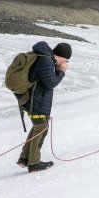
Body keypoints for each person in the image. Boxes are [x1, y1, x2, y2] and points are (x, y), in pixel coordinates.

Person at [15, 41, 70, 173]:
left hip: (32, 100)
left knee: (38, 127)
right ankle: (33, 163)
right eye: (66, 59)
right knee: (41, 129)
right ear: (61, 56)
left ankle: (24, 158)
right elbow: (51, 83)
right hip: (36, 102)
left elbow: (46, 80)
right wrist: (61, 72)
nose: (65, 62)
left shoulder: (45, 58)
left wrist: (56, 70)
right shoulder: (46, 61)